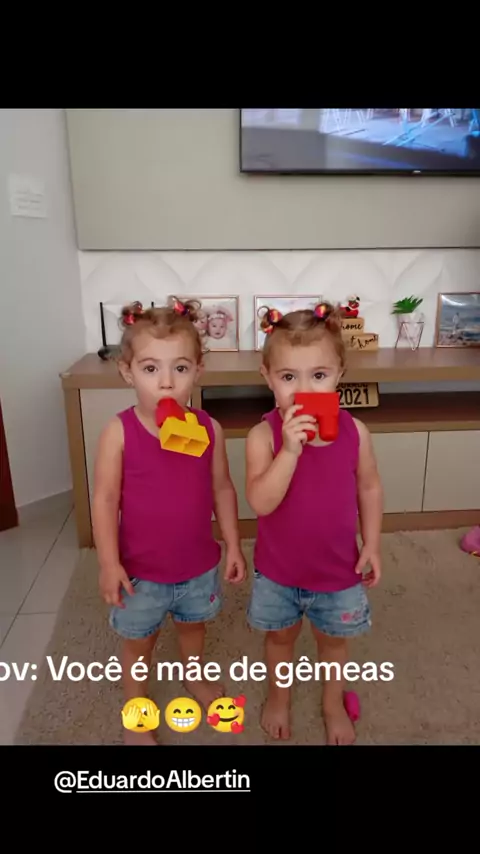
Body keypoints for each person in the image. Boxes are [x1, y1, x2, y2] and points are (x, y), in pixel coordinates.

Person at [92, 297, 246, 744]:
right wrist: (108, 563)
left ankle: (193, 674)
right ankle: (136, 708)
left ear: (198, 370)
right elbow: (104, 499)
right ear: (127, 372)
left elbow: (222, 488)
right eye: (150, 368)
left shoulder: (209, 428)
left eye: (180, 368)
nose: (165, 382)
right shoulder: (119, 432)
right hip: (140, 572)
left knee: (193, 627)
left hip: (198, 565)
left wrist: (234, 544)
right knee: (138, 642)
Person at [245, 301, 383, 745]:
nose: (304, 390)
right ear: (268, 377)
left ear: (339, 373)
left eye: (318, 375)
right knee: (280, 640)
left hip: (338, 571)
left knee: (333, 643)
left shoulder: (356, 432)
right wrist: (289, 451)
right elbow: (261, 502)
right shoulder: (262, 436)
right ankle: (279, 698)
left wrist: (372, 543)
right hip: (279, 573)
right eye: (289, 377)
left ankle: (331, 703)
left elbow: (369, 488)